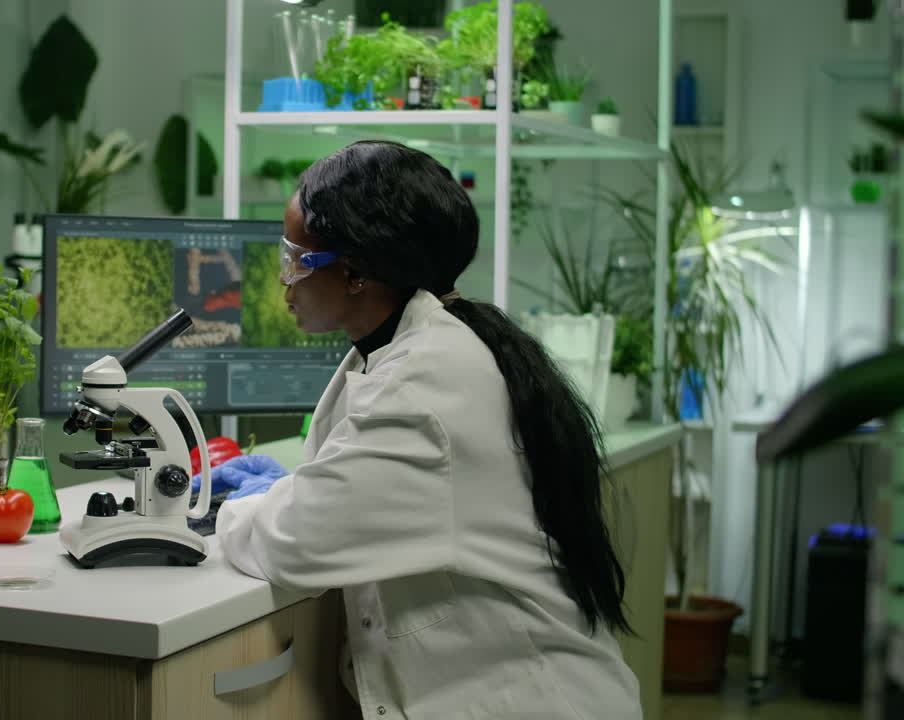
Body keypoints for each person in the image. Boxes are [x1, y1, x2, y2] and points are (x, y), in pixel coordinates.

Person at [210, 141, 641, 719]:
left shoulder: (424, 384)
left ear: (357, 272)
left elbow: (296, 542)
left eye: (296, 259)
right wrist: (291, 491)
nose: (284, 281)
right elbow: (364, 492)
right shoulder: (421, 347)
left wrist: (236, 508)